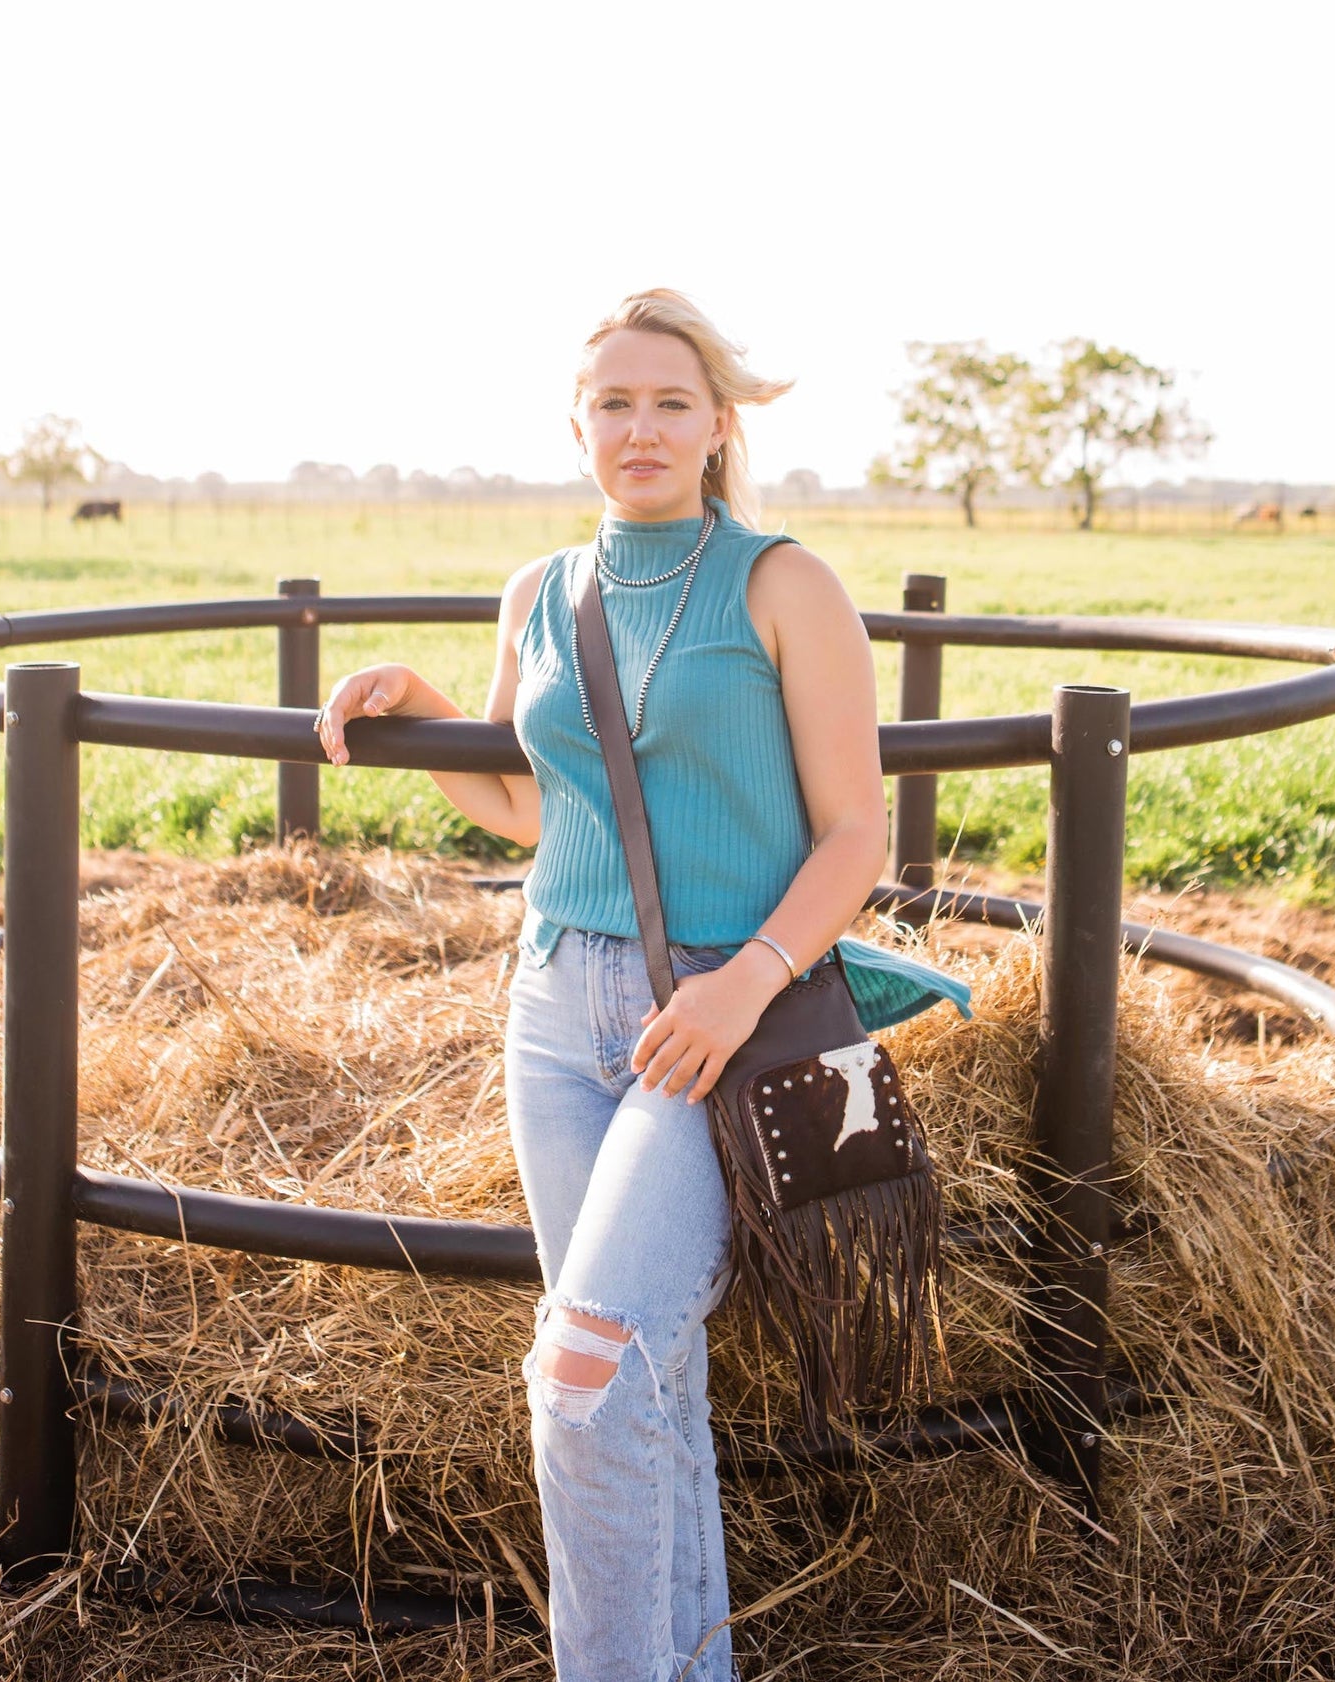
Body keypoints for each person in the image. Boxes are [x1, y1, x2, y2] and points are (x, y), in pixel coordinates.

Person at [315, 289, 969, 1682]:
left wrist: (745, 983)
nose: (641, 426)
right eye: (613, 401)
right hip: (554, 1014)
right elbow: (525, 804)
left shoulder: (781, 583)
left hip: (722, 1022)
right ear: (576, 424)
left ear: (720, 424)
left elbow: (859, 830)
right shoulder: (542, 594)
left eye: (671, 401)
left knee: (587, 1373)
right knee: (642, 1384)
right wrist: (421, 708)